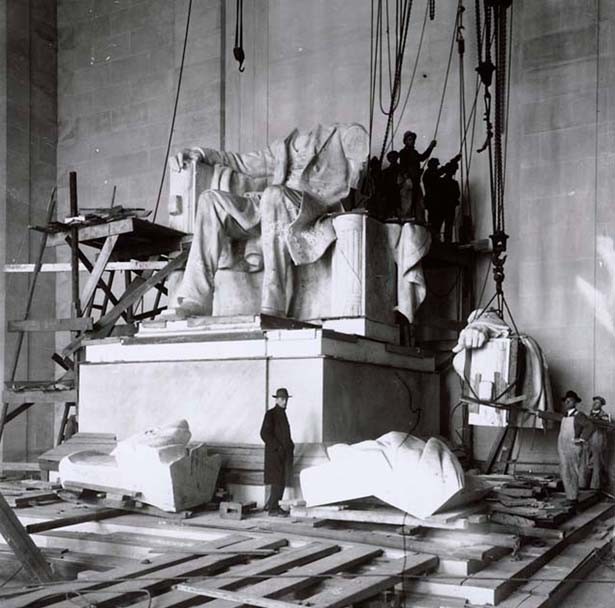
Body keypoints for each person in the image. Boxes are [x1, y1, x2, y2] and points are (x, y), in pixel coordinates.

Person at [174, 124, 369, 317]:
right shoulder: (281, 148)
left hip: (308, 205)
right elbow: (240, 162)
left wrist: (355, 149)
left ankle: (274, 301)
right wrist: (201, 153)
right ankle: (197, 299)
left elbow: (357, 141)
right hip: (270, 205)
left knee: (273, 195)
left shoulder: (334, 135)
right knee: (210, 200)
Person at [260, 388, 295, 516]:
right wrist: (278, 447)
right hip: (274, 455)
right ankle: (273, 509)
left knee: (281, 480)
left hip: (283, 454)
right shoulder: (271, 414)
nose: (285, 401)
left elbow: (284, 435)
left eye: (286, 399)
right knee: (277, 481)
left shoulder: (283, 414)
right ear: (276, 400)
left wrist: (290, 444)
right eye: (282, 399)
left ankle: (273, 505)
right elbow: (264, 434)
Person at [557, 390, 594, 503]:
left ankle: (572, 497)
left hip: (573, 447)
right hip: (563, 446)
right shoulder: (565, 415)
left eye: (570, 400)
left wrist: (582, 439)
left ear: (575, 402)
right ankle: (570, 495)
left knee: (572, 471)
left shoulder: (579, 415)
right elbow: (552, 416)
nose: (567, 402)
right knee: (564, 470)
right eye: (566, 400)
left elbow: (590, 426)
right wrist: (537, 413)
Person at [398, 130, 436, 217]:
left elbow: (422, 157)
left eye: (413, 139)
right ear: (406, 141)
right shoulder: (403, 152)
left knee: (419, 203)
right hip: (408, 183)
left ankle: (418, 221)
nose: (412, 141)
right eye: (410, 139)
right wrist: (407, 178)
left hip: (415, 181)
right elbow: (402, 167)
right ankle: (407, 221)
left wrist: (430, 147)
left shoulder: (414, 153)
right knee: (408, 203)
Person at [587, 396, 610, 490]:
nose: (594, 404)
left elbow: (608, 428)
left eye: (597, 403)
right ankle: (586, 485)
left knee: (597, 463)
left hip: (598, 440)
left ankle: (595, 487)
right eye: (594, 402)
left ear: (601, 405)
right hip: (589, 441)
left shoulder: (604, 415)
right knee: (587, 463)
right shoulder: (589, 414)